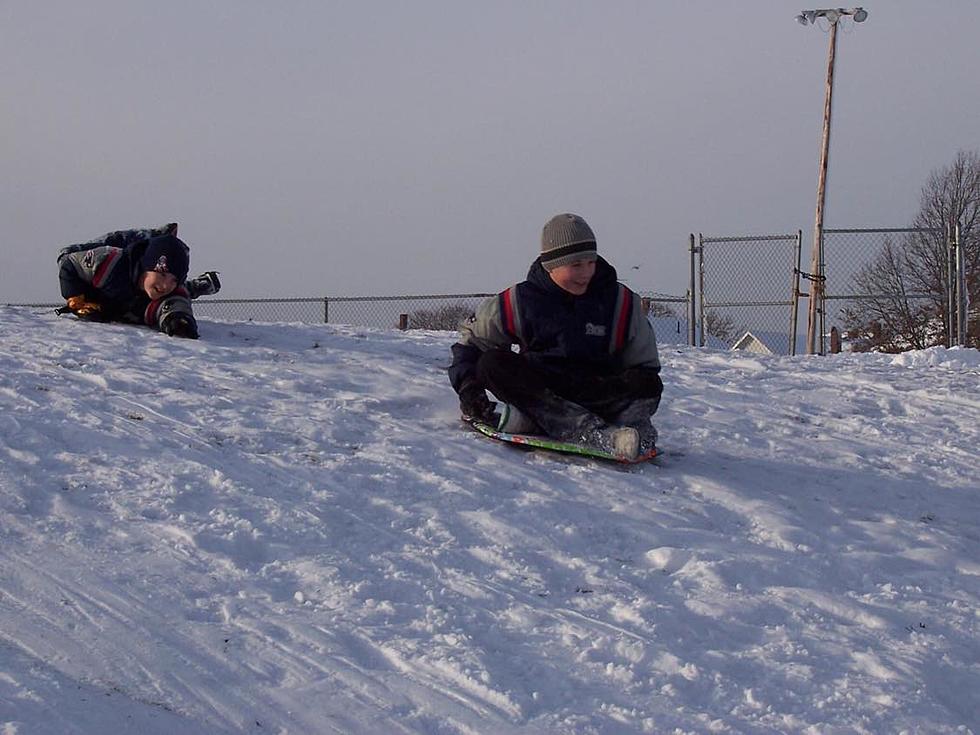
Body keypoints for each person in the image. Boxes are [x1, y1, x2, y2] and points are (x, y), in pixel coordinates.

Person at [448, 213, 662, 461]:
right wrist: (468, 389)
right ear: (551, 265)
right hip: (544, 391)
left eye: (591, 262)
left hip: (599, 391)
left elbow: (645, 364)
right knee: (491, 364)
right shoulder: (522, 301)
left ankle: (543, 422)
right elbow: (473, 342)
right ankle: (593, 432)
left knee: (647, 384)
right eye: (576, 265)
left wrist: (635, 390)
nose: (586, 273)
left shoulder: (619, 302)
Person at [56, 223, 221, 339]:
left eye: (174, 280)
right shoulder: (109, 263)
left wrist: (178, 321)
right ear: (145, 267)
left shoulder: (168, 292)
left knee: (179, 291)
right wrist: (74, 297)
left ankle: (193, 286)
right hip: (104, 275)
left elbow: (176, 304)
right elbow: (70, 264)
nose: (166, 285)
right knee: (67, 253)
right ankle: (151, 236)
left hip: (120, 304)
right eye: (162, 274)